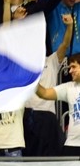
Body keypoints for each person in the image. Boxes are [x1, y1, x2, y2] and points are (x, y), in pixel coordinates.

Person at [24, 13, 73, 156]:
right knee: (28, 158)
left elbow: (65, 44)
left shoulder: (51, 60)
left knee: (49, 157)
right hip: (27, 115)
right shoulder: (24, 64)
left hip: (46, 116)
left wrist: (69, 26)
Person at [36, 53, 80, 156]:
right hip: (72, 145)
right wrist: (31, 81)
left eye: (74, 67)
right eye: (69, 67)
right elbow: (44, 93)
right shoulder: (69, 87)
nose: (70, 71)